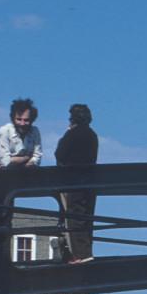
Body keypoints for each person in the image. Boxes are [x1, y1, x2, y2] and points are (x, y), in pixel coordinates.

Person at [54, 103, 99, 264]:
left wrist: (66, 134)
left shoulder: (72, 134)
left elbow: (59, 153)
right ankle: (87, 251)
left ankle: (79, 254)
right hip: (89, 183)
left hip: (73, 182)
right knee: (86, 217)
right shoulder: (93, 135)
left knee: (74, 216)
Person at [0, 98, 42, 170]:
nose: (22, 124)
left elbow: (37, 158)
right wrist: (27, 158)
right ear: (12, 118)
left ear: (32, 119)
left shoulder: (35, 132)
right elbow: (6, 162)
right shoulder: (4, 131)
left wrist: (14, 159)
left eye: (26, 120)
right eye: (19, 119)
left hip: (25, 175)